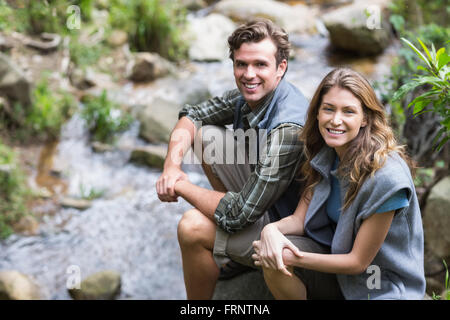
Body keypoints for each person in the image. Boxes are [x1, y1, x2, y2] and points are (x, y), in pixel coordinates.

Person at [155, 19, 310, 299]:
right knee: (204, 136)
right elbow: (192, 115)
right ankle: (234, 254)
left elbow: (239, 213)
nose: (249, 74)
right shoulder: (248, 96)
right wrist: (171, 166)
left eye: (260, 65)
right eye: (241, 64)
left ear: (281, 68)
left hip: (290, 231)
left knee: (191, 227)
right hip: (265, 203)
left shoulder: (289, 128)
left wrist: (179, 186)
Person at [252, 67, 426, 300]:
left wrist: (289, 257)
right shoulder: (328, 152)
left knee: (279, 256)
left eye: (348, 112)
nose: (336, 120)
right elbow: (298, 220)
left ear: (365, 118)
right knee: (275, 256)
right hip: (338, 268)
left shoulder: (386, 178)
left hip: (380, 283)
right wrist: (270, 231)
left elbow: (357, 262)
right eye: (329, 109)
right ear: (317, 112)